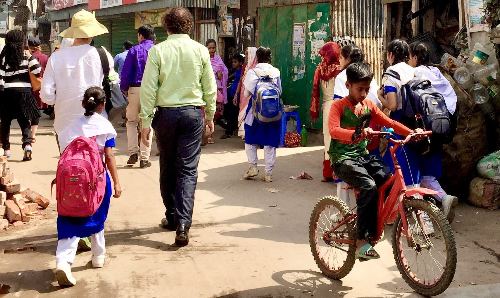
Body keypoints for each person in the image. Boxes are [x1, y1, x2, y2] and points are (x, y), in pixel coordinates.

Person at [139, 7, 217, 246]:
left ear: (166, 27)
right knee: (188, 170)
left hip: (166, 116)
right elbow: (209, 86)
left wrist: (144, 121)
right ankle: (183, 223)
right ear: (190, 26)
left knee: (168, 165)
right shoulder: (201, 50)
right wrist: (210, 115)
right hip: (193, 114)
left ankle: (172, 216)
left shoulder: (158, 51)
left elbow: (149, 88)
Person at [329, 62, 415, 260]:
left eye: (367, 89)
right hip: (342, 158)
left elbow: (390, 122)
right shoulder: (338, 106)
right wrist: (357, 133)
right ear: (348, 85)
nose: (364, 93)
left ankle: (373, 225)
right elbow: (334, 130)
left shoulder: (368, 105)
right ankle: (361, 240)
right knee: (368, 186)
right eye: (360, 89)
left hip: (362, 156)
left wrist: (412, 132)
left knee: (386, 179)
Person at [54, 86, 121, 287]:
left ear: (84, 103)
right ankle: (98, 256)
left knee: (69, 219)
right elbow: (109, 156)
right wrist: (117, 182)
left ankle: (63, 262)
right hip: (98, 180)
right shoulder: (105, 127)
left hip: (71, 182)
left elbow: (64, 154)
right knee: (96, 215)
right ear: (102, 105)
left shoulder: (70, 127)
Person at [41, 9, 114, 153]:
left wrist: (64, 97)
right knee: (94, 167)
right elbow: (112, 80)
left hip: (64, 126)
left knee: (70, 167)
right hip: (95, 124)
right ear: (92, 32)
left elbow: (47, 96)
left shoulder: (56, 57)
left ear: (73, 32)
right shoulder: (102, 55)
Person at [408, 42, 459, 222]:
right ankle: (443, 198)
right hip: (444, 125)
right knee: (429, 170)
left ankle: (426, 217)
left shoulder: (417, 73)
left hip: (426, 127)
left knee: (416, 173)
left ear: (414, 57)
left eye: (410, 57)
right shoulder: (438, 73)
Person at [377, 39, 420, 187]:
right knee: (412, 157)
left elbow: (393, 105)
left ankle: (399, 196)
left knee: (398, 158)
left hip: (399, 121)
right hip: (416, 120)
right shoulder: (413, 70)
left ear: (390, 55)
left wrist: (379, 96)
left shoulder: (391, 73)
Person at [242, 47, 282, 183]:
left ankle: (253, 167)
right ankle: (268, 173)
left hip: (255, 114)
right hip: (273, 112)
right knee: (270, 142)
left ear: (257, 58)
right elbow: (280, 91)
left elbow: (246, 94)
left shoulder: (252, 72)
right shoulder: (276, 72)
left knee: (250, 139)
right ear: (270, 58)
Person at [0, 30, 41, 161]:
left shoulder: (4, 56)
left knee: (5, 122)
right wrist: (29, 56)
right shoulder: (26, 55)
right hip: (24, 92)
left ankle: (6, 150)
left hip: (7, 92)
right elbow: (37, 70)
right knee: (24, 121)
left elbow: (0, 75)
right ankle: (27, 145)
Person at [121, 25, 155, 168]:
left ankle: (133, 152)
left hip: (134, 89)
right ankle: (145, 158)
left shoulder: (133, 50)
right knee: (147, 123)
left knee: (132, 122)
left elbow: (126, 72)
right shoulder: (157, 50)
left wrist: (124, 89)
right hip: (151, 91)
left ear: (141, 35)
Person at [310, 42, 342, 182]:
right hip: (340, 105)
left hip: (327, 106)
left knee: (327, 138)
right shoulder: (341, 70)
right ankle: (338, 173)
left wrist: (314, 109)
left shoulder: (320, 70)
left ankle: (328, 173)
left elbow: (315, 92)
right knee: (339, 139)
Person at [205, 38, 228, 143]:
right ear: (206, 48)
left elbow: (225, 71)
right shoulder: (204, 59)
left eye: (213, 48)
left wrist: (221, 74)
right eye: (209, 48)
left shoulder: (218, 59)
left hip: (216, 90)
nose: (212, 50)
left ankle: (210, 136)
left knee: (213, 113)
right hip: (205, 89)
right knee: (205, 113)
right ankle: (205, 135)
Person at [28, 37, 49, 142]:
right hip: (41, 88)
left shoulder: (28, 57)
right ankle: (33, 135)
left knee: (27, 111)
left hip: (29, 88)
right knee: (36, 112)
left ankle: (27, 134)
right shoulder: (45, 57)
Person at [221, 53, 245, 139]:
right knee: (229, 112)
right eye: (233, 62)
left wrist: (236, 95)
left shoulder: (242, 71)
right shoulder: (236, 71)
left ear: (240, 63)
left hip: (236, 95)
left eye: (235, 62)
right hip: (231, 94)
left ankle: (229, 132)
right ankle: (231, 129)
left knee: (232, 113)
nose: (233, 63)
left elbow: (240, 83)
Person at [237, 47, 257, 138]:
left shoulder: (256, 68)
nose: (246, 56)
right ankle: (244, 134)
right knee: (244, 113)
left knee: (250, 114)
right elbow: (241, 81)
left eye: (248, 54)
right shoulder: (245, 67)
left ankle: (249, 134)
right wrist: (236, 94)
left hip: (251, 96)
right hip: (243, 95)